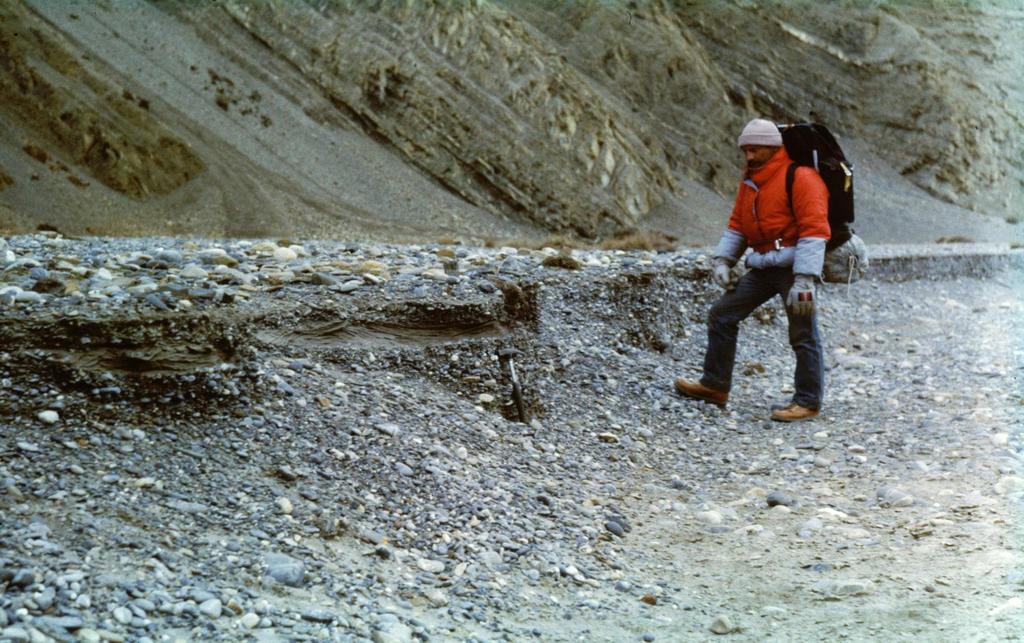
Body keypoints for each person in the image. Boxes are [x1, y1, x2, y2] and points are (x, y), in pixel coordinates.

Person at [674, 118, 830, 422]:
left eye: (755, 149)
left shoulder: (802, 178)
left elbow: (814, 230)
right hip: (763, 268)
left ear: (773, 148)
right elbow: (737, 225)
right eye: (745, 149)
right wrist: (723, 260)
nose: (749, 155)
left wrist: (805, 279)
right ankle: (715, 385)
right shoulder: (750, 182)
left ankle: (808, 400)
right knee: (722, 313)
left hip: (797, 272)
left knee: (803, 331)